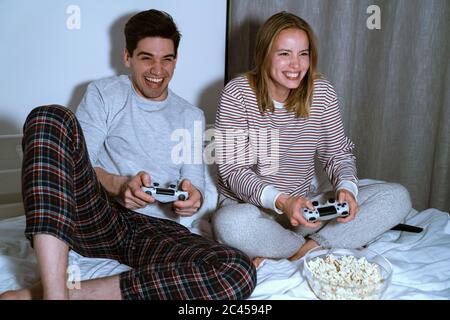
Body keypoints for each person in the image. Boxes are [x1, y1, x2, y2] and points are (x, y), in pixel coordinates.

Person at [0, 9, 256, 300]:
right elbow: (74, 164)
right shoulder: (104, 93)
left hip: (156, 230)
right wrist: (119, 185)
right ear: (128, 57)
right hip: (99, 217)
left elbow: (193, 187)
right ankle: (54, 294)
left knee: (236, 270)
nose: (158, 70)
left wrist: (191, 200)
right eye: (147, 58)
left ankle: (70, 294)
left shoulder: (191, 116)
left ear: (176, 60)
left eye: (167, 59)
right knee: (48, 117)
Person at [212, 11, 412, 267]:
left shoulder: (322, 91)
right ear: (264, 54)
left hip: (303, 210)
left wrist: (346, 188)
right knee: (230, 224)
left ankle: (305, 249)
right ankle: (323, 244)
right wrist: (283, 202)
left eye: (303, 54)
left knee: (397, 197)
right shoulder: (237, 94)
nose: (296, 65)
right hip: (252, 210)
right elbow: (233, 171)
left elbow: (338, 153)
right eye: (284, 54)